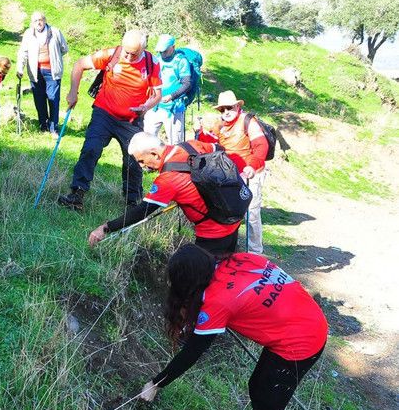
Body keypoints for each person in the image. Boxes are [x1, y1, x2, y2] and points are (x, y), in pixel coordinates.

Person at [139, 244, 327, 410]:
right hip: (309, 319)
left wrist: (155, 384)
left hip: (300, 342)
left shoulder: (217, 301)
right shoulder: (241, 259)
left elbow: (192, 353)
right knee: (258, 387)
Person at [57, 30, 162, 211]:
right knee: (91, 148)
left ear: (143, 49)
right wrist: (73, 92)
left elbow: (157, 94)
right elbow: (79, 64)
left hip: (131, 119)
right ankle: (76, 194)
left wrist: (146, 107)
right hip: (104, 113)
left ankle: (132, 202)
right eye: (126, 52)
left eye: (134, 54)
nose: (128, 56)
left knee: (134, 159)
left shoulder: (151, 63)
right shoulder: (111, 54)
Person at [87, 132, 242, 254]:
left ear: (155, 154)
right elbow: (220, 150)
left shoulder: (167, 180)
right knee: (227, 270)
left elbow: (142, 211)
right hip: (233, 217)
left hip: (212, 233)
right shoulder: (190, 145)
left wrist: (106, 228)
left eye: (141, 161)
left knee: (202, 279)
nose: (141, 166)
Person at [195, 91, 269, 253]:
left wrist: (252, 166)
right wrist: (200, 132)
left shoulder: (248, 121)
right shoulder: (218, 124)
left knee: (251, 213)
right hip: (229, 176)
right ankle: (230, 249)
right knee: (230, 212)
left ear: (237, 106)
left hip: (251, 173)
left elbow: (261, 145)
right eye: (222, 109)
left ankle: (255, 252)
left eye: (229, 108)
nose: (226, 112)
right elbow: (207, 146)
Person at [17, 12, 69, 134]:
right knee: (39, 99)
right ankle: (43, 125)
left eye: (40, 20)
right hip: (35, 72)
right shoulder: (28, 34)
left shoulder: (55, 32)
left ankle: (53, 127)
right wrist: (20, 68)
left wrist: (55, 58)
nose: (38, 23)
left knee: (53, 98)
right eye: (35, 21)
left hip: (52, 71)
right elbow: (23, 52)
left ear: (45, 21)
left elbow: (64, 48)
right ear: (32, 23)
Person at [143, 34, 191, 144]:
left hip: (173, 108)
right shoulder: (157, 59)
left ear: (173, 47)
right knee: (147, 140)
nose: (162, 54)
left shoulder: (181, 61)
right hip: (155, 106)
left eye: (165, 51)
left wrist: (172, 96)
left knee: (175, 143)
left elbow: (187, 84)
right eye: (160, 51)